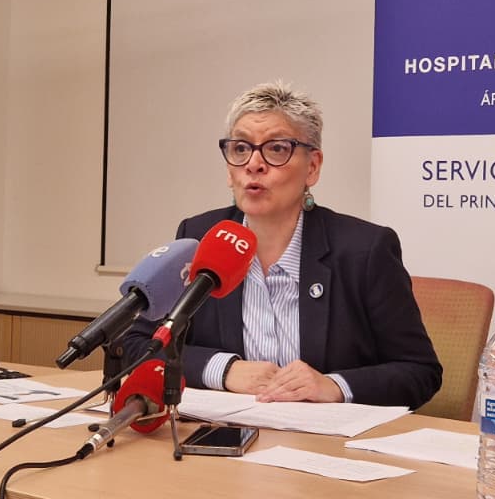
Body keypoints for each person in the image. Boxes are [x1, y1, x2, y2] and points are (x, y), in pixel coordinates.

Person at [122, 81, 442, 409]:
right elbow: (138, 345)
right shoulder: (201, 238)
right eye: (241, 148)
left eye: (276, 149)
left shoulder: (365, 250)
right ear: (229, 169)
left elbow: (419, 371)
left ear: (312, 167)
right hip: (227, 430)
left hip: (322, 437)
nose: (253, 164)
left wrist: (334, 386)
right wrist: (223, 369)